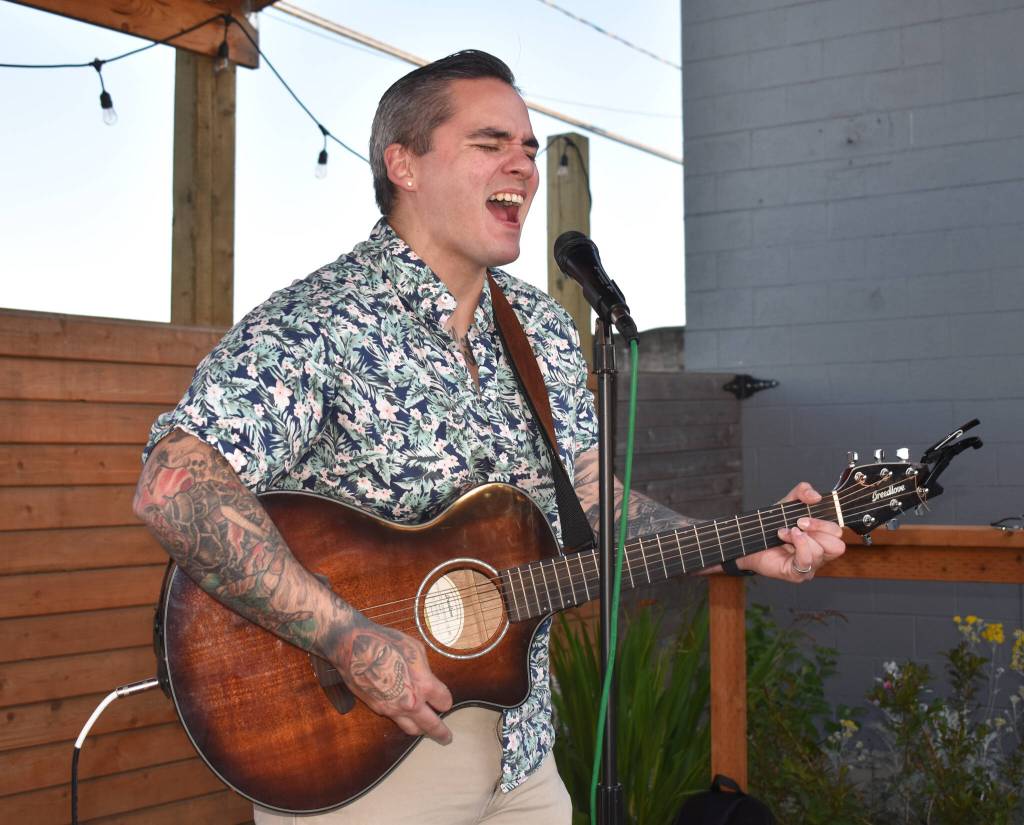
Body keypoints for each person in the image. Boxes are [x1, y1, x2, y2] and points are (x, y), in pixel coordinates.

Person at [133, 50, 846, 825]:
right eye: (491, 143)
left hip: (525, 748)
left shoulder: (540, 326)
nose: (524, 165)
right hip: (363, 754)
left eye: (531, 148)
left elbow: (588, 499)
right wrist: (346, 638)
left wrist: (736, 543)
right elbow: (173, 486)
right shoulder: (319, 320)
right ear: (403, 163)